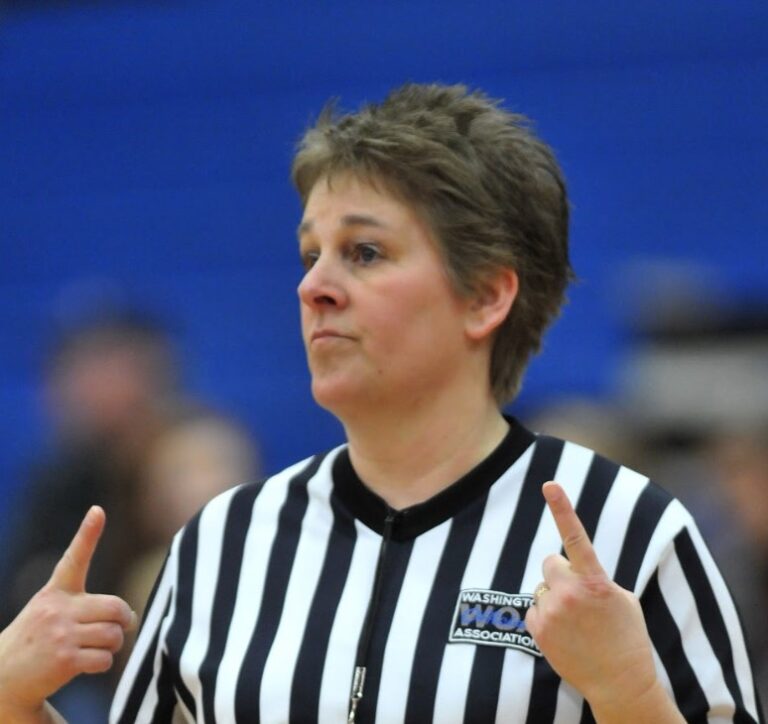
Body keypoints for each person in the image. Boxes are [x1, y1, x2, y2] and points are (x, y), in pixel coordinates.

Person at [0, 83, 762, 723]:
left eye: (364, 252)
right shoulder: (223, 543)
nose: (313, 286)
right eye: (310, 254)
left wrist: (629, 692)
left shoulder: (628, 530)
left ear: (487, 294)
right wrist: (12, 699)